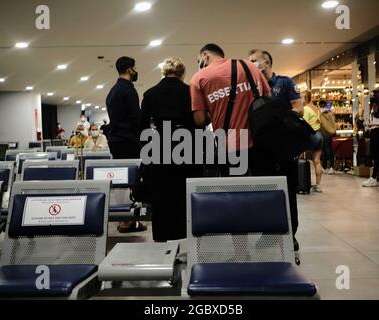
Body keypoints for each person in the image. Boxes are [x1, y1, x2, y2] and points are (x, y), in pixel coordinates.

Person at [248, 49, 304, 253]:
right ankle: (268, 233)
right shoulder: (251, 86)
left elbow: (299, 107)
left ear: (266, 62)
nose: (250, 63)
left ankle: (291, 234)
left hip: (284, 146)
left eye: (253, 60)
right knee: (267, 191)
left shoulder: (285, 82)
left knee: (288, 190)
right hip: (262, 149)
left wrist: (280, 119)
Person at [140, 57, 201, 242]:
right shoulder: (191, 91)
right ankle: (186, 235)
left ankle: (162, 238)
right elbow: (199, 122)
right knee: (185, 194)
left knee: (161, 196)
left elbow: (142, 126)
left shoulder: (150, 94)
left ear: (163, 72)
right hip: (188, 146)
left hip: (160, 147)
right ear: (182, 73)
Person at [190, 44, 270, 175]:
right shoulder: (249, 66)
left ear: (205, 56)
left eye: (199, 61)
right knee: (262, 191)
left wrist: (215, 110)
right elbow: (267, 97)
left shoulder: (199, 78)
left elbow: (200, 120)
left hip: (229, 144)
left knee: (234, 192)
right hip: (261, 139)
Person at [106, 56, 146, 233]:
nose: (136, 71)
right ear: (130, 69)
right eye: (134, 68)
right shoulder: (129, 90)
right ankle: (127, 221)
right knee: (130, 180)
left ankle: (123, 220)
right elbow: (136, 118)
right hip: (128, 141)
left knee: (120, 179)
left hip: (115, 141)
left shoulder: (113, 90)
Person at [303, 94, 324, 193]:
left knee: (304, 159)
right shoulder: (316, 108)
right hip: (320, 135)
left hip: (311, 136)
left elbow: (304, 124)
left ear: (306, 98)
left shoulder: (306, 109)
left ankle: (305, 182)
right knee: (317, 161)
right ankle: (318, 185)